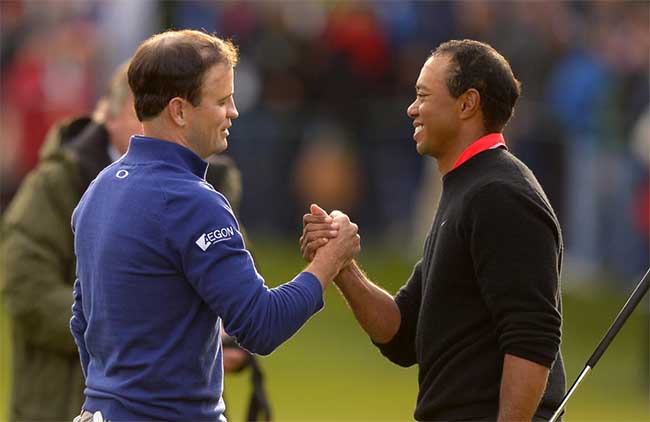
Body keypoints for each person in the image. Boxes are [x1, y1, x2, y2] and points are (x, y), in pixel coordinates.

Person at [69, 29, 360, 421]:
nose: (234, 111)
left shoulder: (98, 189)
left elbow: (82, 320)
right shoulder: (192, 202)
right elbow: (261, 324)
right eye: (222, 100)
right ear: (179, 110)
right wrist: (329, 260)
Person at [301, 39, 565, 421]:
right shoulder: (468, 189)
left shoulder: (501, 194)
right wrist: (342, 265)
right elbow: (402, 333)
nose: (412, 108)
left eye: (423, 95)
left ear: (467, 103)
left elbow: (531, 338)